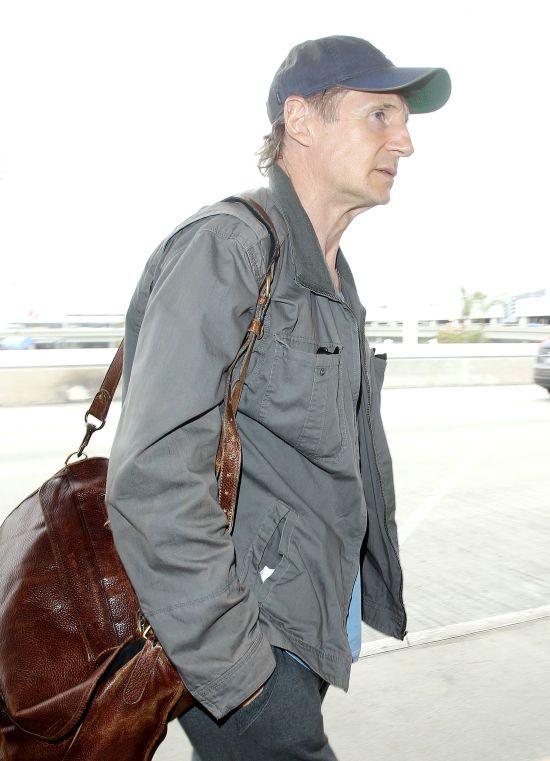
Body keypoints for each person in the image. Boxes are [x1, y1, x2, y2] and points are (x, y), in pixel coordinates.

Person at [106, 35, 451, 761]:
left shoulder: (333, 276)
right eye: (380, 116)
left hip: (302, 626)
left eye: (403, 121)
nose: (405, 141)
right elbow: (154, 476)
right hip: (246, 640)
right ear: (301, 120)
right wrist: (245, 677)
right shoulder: (228, 247)